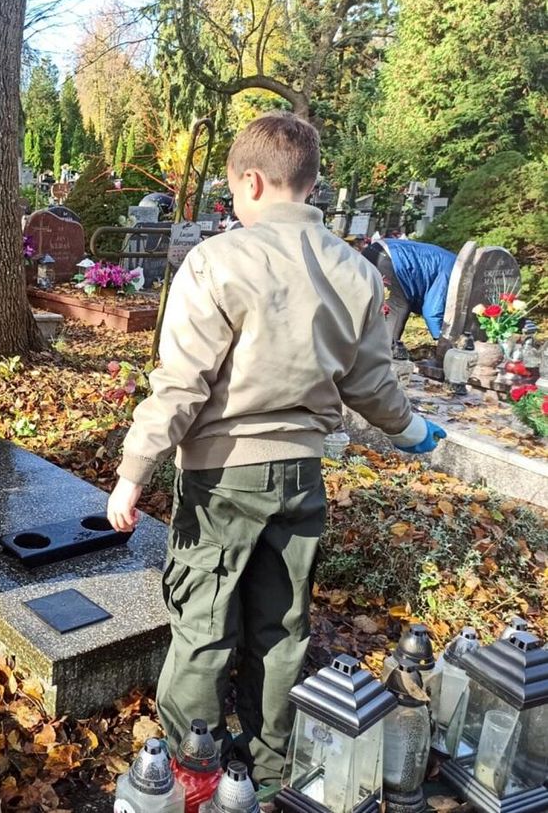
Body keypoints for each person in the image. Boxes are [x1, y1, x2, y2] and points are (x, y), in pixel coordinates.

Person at [106, 112, 446, 797]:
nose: (233, 206)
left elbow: (181, 383)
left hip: (224, 471)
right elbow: (372, 383)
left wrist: (132, 470)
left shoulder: (219, 261)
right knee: (281, 626)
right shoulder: (354, 271)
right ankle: (264, 775)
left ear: (253, 180)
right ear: (313, 182)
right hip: (301, 473)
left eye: (234, 194)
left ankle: (191, 773)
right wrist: (413, 433)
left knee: (203, 622)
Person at [359, 237, 456, 356]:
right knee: (399, 308)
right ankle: (385, 358)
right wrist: (444, 342)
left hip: (374, 250)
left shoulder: (451, 261)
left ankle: (363, 351)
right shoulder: (454, 272)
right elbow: (432, 313)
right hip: (391, 259)